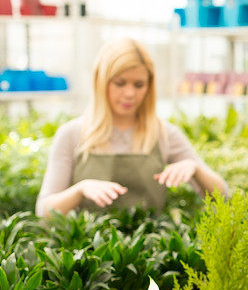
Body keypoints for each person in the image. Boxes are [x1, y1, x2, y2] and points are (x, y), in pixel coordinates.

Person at [36, 38, 228, 216]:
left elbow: (224, 198)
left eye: (139, 85)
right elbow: (44, 212)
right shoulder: (72, 134)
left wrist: (195, 169)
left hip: (152, 248)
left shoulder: (164, 133)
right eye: (119, 83)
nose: (129, 93)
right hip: (88, 249)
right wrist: (80, 190)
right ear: (100, 82)